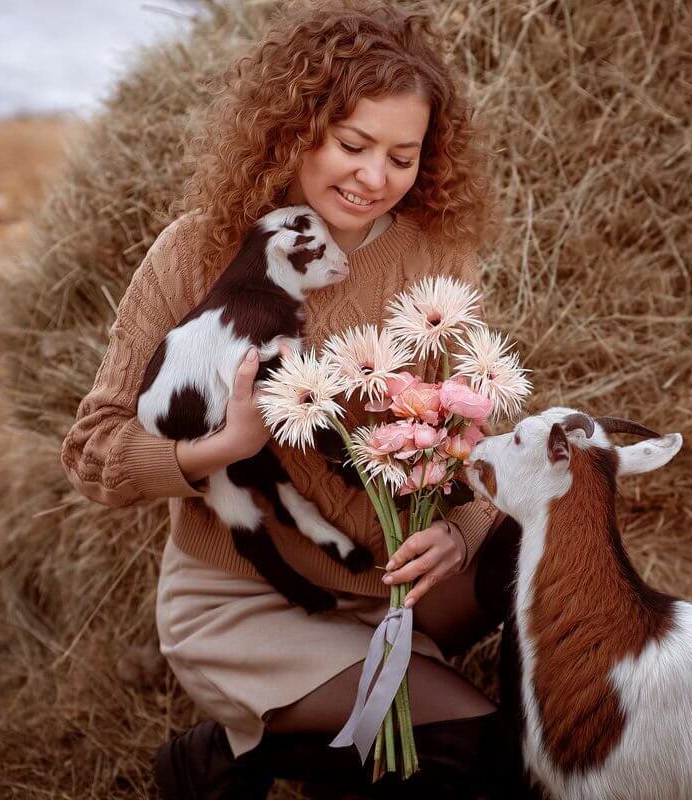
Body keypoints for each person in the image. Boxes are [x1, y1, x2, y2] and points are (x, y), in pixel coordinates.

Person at [59, 3, 525, 797]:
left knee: (530, 549)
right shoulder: (196, 250)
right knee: (469, 752)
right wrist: (219, 449)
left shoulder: (435, 260)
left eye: (402, 157)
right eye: (352, 145)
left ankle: (296, 740)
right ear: (296, 128)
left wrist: (461, 526)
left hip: (390, 578)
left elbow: (474, 425)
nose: (374, 178)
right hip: (246, 597)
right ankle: (243, 747)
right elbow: (92, 453)